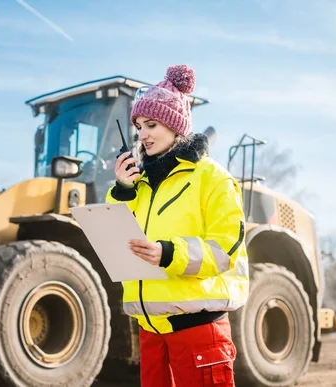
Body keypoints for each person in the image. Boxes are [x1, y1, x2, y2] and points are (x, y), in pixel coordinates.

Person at [105, 64, 249, 387]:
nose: (142, 135)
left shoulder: (213, 179)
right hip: (151, 333)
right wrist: (123, 190)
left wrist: (168, 254)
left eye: (151, 124)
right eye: (139, 126)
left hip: (197, 334)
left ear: (174, 124)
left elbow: (224, 248)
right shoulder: (139, 185)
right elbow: (118, 237)